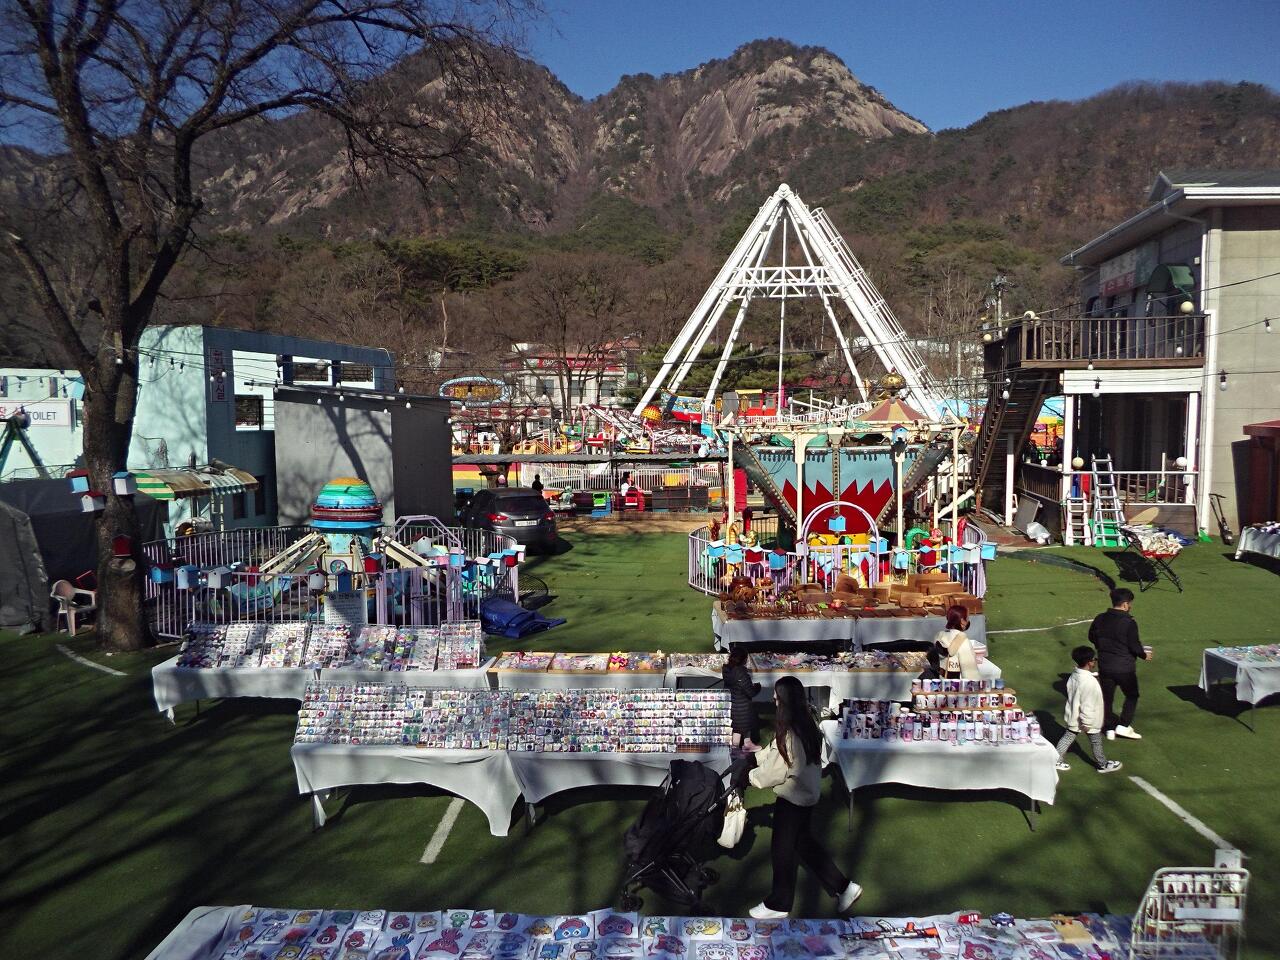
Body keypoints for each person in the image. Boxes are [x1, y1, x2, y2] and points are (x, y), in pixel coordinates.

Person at [746, 676, 862, 919]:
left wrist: (749, 777)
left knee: (781, 850)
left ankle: (779, 903)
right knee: (803, 844)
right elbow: (775, 750)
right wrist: (754, 758)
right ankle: (844, 887)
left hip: (793, 797)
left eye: (777, 698)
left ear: (785, 701)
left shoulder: (791, 732)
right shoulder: (805, 722)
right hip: (808, 794)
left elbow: (776, 770)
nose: (774, 701)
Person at [1089, 587, 1149, 740]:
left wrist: (1102, 647)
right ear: (1125, 604)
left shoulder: (1100, 618)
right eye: (1130, 603)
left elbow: (1091, 636)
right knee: (1132, 695)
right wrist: (1144, 655)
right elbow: (1134, 645)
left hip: (1105, 665)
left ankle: (1109, 728)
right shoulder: (1129, 622)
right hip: (1124, 668)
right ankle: (1124, 725)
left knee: (1107, 697)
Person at [1054, 646, 1122, 774]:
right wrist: (1087, 722)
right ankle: (1102, 765)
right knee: (1096, 741)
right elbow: (1088, 705)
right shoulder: (1089, 682)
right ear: (1089, 662)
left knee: (1067, 737)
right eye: (1094, 659)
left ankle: (1056, 760)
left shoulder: (1074, 675)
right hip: (1087, 719)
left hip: (1074, 715)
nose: (1095, 661)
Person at [722, 648, 761, 751]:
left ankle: (742, 746)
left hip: (733, 703)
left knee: (737, 728)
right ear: (744, 659)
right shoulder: (741, 673)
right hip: (742, 705)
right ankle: (739, 748)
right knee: (743, 725)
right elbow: (750, 692)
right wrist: (758, 687)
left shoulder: (727, 670)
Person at [934, 605, 980, 680]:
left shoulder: (939, 636)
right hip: (957, 685)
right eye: (967, 618)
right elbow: (970, 673)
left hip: (940, 682)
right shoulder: (963, 642)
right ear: (962, 621)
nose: (968, 621)